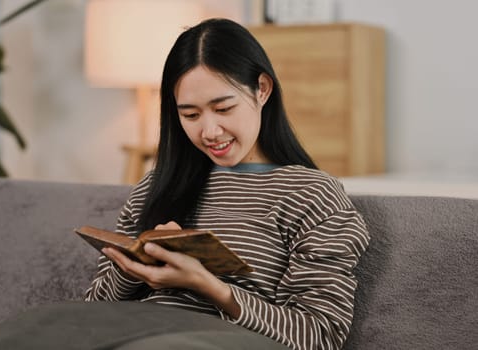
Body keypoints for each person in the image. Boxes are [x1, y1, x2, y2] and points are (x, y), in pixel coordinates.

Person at [85, 18, 370, 350]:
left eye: (223, 108)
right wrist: (132, 269)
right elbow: (91, 312)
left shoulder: (311, 194)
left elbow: (319, 335)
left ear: (261, 89)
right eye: (190, 115)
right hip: (127, 336)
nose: (209, 131)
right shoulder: (157, 184)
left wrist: (211, 286)